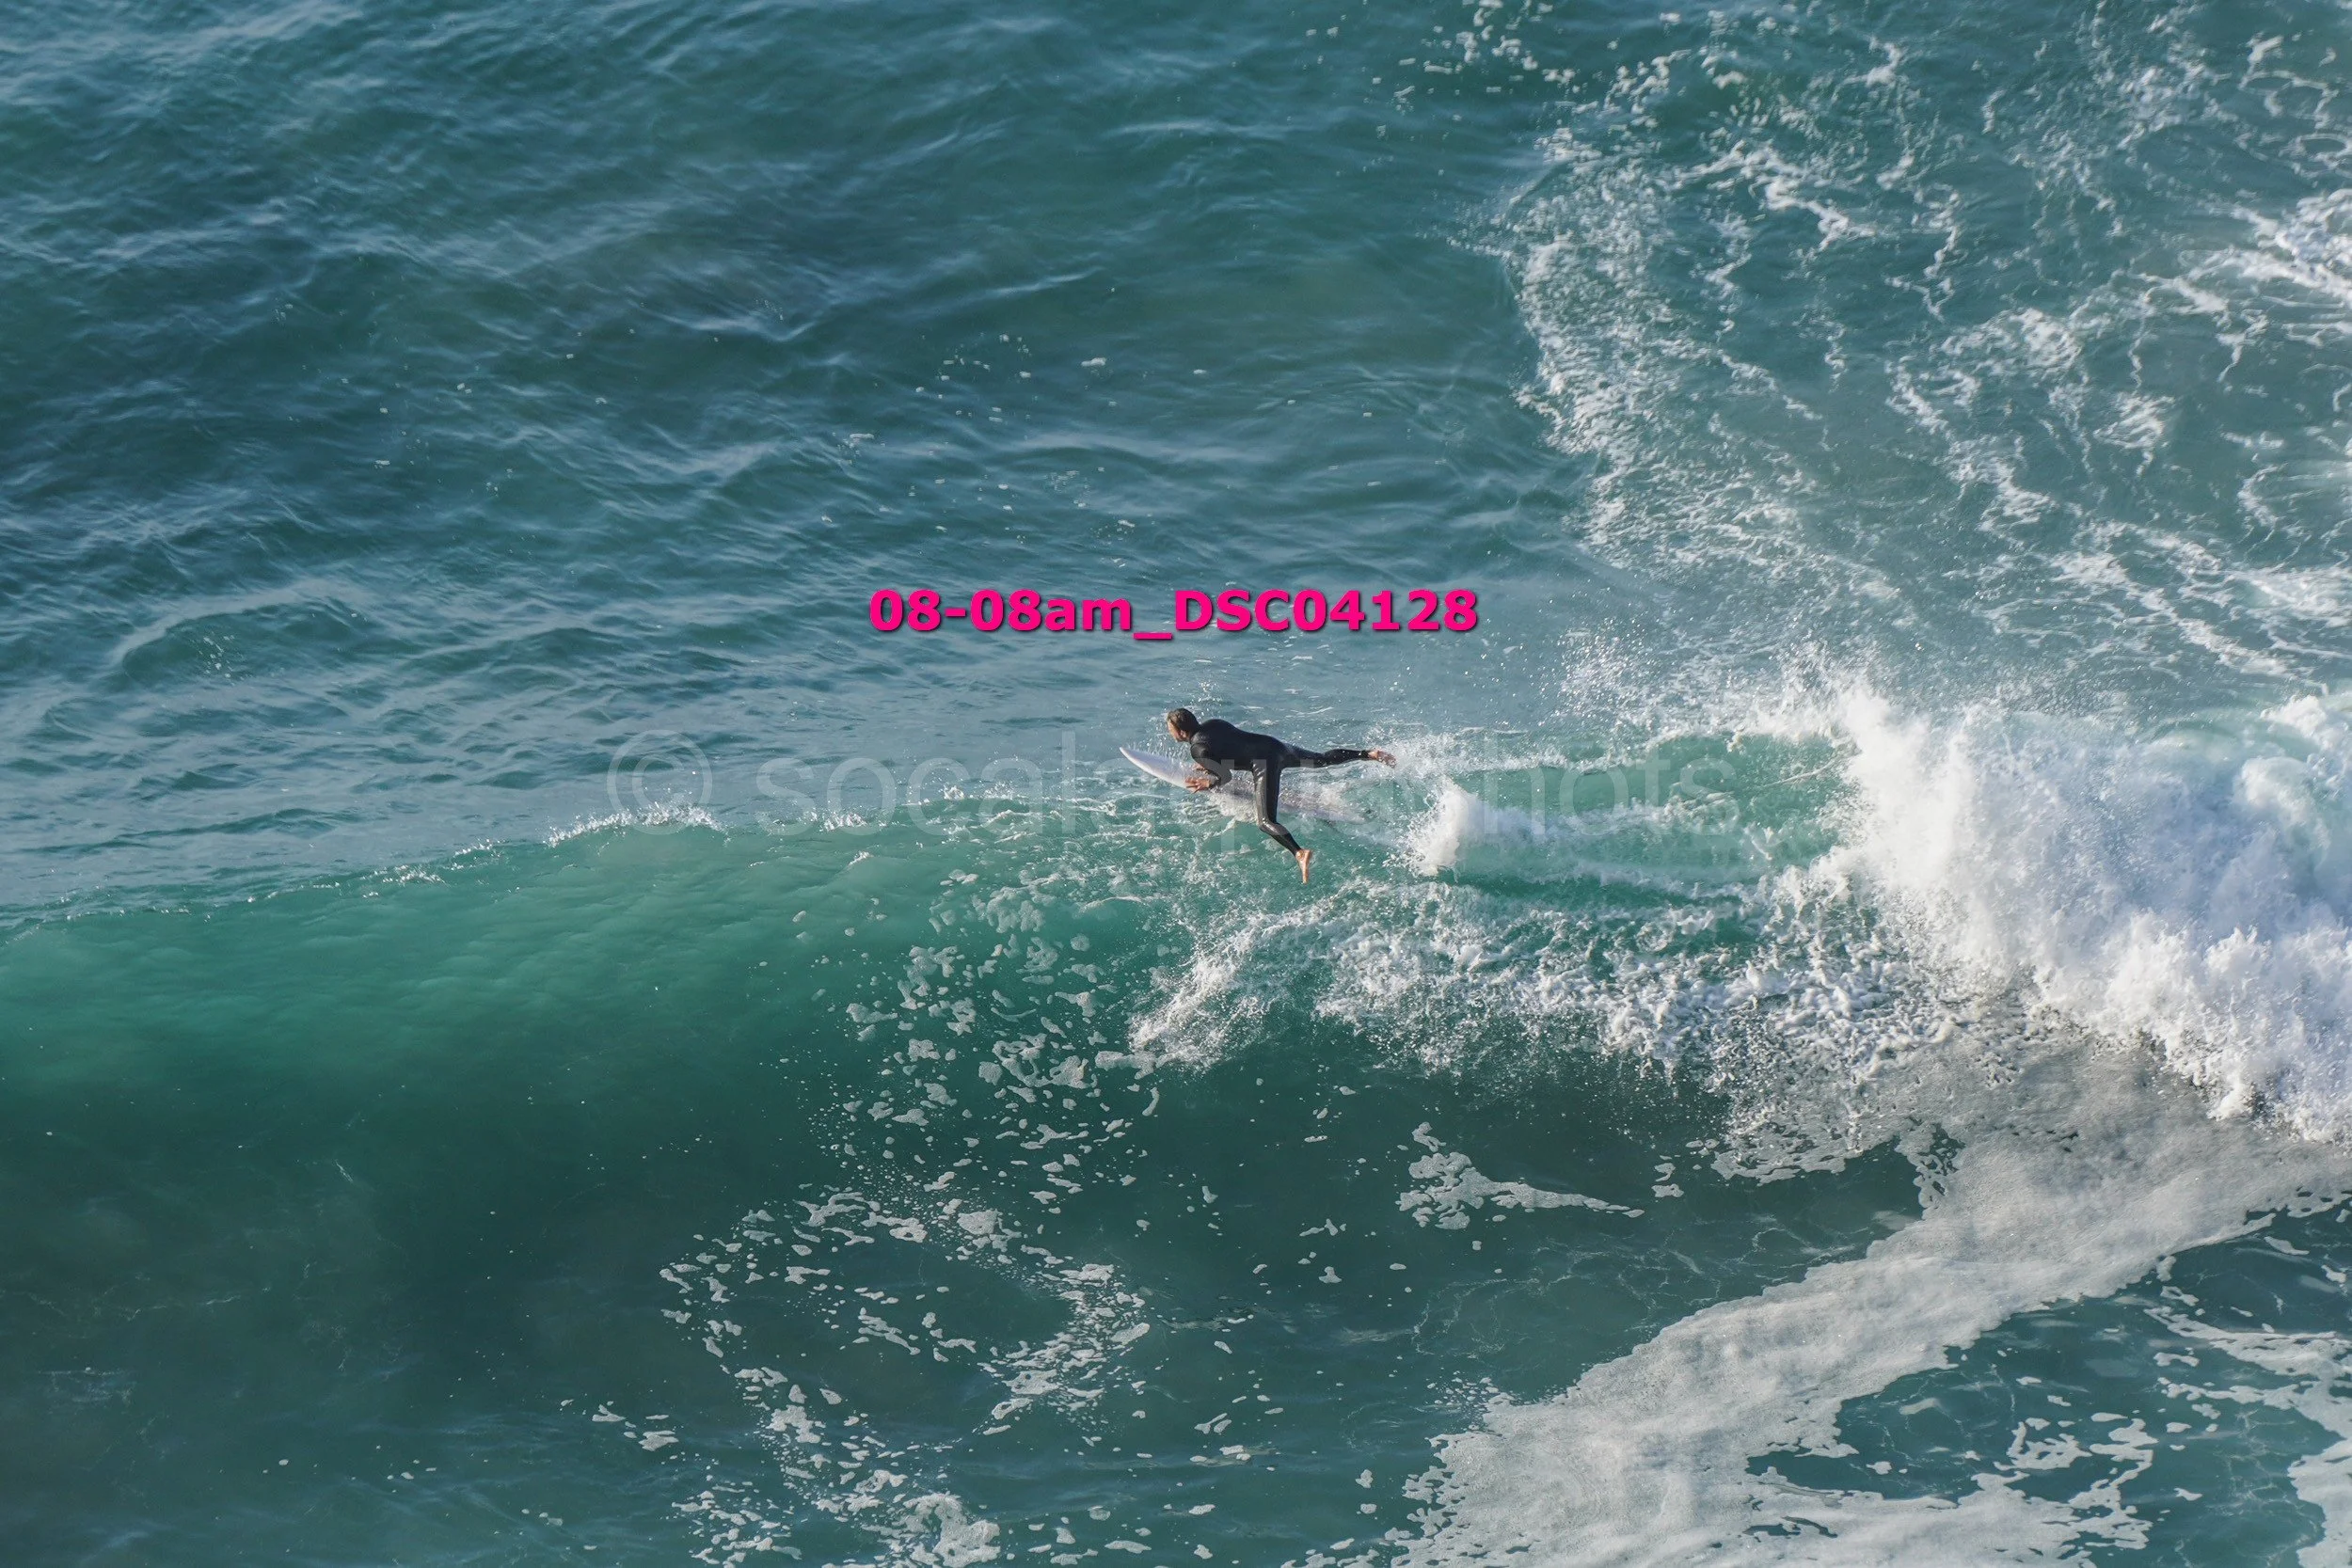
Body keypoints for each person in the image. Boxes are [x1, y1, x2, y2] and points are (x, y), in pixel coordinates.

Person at [1166, 708, 1394, 882]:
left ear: (1182, 732)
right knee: (1321, 759)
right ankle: (1369, 754)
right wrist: (1211, 765)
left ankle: (1299, 853)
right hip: (1276, 747)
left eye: (1170, 729)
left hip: (1265, 765)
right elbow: (1230, 746)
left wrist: (1209, 781)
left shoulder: (1197, 750)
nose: (1169, 732)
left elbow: (1225, 778)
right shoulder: (1214, 724)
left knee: (1265, 822)